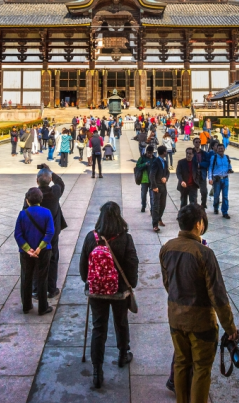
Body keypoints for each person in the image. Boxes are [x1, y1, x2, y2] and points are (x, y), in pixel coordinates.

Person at [160, 204, 239, 403]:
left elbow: (168, 284)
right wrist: (230, 327)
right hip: (201, 323)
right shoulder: (204, 253)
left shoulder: (167, 248)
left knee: (181, 363)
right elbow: (218, 295)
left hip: (176, 318)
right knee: (201, 369)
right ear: (198, 224)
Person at [80, 201, 139, 388]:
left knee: (98, 328)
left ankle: (97, 371)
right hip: (119, 290)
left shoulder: (91, 238)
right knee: (121, 322)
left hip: (97, 291)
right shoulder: (126, 238)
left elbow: (83, 267)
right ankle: (122, 355)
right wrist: (131, 284)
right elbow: (132, 263)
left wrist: (90, 282)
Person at [14, 187, 55, 315]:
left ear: (27, 200)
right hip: (43, 251)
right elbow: (50, 232)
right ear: (41, 199)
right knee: (42, 278)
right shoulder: (47, 212)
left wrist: (28, 249)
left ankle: (26, 306)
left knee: (26, 277)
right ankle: (43, 307)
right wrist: (39, 248)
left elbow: (18, 234)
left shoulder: (22, 214)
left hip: (26, 253)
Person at [36, 167, 67, 298]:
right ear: (50, 180)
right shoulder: (55, 192)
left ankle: (36, 289)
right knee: (53, 258)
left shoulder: (33, 194)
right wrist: (50, 171)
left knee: (36, 259)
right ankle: (51, 288)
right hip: (52, 232)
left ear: (37, 181)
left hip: (36, 233)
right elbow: (60, 183)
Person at [206, 143, 232, 219]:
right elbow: (210, 168)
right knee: (216, 195)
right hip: (217, 180)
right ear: (216, 150)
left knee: (225, 196)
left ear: (224, 149)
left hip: (225, 179)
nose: (221, 150)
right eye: (219, 148)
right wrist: (210, 178)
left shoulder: (227, 157)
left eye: (222, 148)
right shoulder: (213, 158)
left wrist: (230, 170)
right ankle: (216, 207)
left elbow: (229, 166)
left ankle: (225, 212)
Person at [150, 146, 170, 232]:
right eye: (166, 151)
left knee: (163, 204)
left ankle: (159, 218)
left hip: (163, 186)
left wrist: (166, 178)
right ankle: (155, 224)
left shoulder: (165, 162)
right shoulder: (156, 162)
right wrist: (154, 186)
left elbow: (167, 172)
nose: (167, 153)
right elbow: (152, 175)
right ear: (164, 152)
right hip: (157, 187)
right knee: (156, 206)